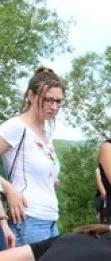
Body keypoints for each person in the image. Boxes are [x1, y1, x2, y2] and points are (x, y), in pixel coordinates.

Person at [0, 67, 64, 247]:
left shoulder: (44, 132)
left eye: (58, 101)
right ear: (31, 95)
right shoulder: (15, 127)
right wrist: (9, 189)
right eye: (48, 100)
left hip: (50, 219)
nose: (54, 107)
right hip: (27, 220)